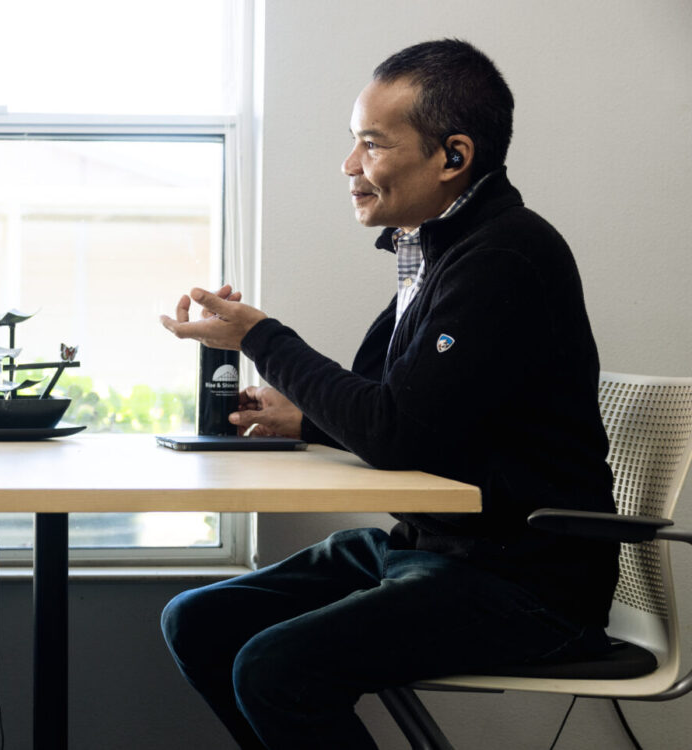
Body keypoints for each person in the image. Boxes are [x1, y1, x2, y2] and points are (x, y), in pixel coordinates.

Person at [158, 40, 617, 748]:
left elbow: (399, 432)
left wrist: (260, 337)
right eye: (354, 143)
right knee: (198, 620)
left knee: (275, 669)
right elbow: (411, 412)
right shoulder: (437, 253)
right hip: (434, 551)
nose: (349, 167)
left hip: (524, 582)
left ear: (453, 157)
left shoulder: (504, 259)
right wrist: (306, 421)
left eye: (372, 145)